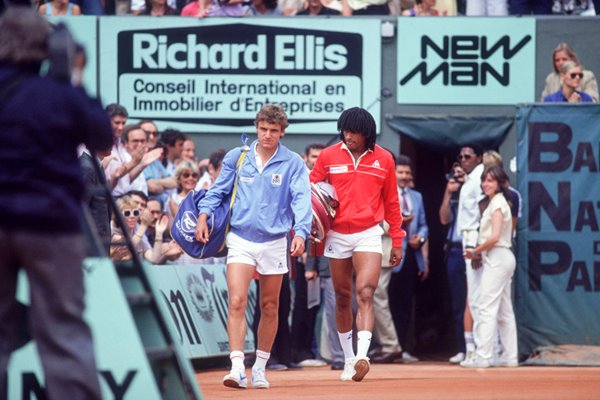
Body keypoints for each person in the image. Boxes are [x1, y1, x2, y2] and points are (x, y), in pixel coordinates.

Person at [0, 7, 112, 399]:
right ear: (47, 48)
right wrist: (72, 75)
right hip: (50, 224)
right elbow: (102, 134)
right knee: (63, 329)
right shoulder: (60, 94)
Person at [195, 104, 311, 390]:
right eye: (263, 129)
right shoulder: (237, 156)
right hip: (240, 239)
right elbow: (218, 190)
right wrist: (203, 214)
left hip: (274, 241)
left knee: (270, 306)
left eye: (273, 130)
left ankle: (260, 367)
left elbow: (301, 199)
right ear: (256, 127)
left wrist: (302, 232)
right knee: (237, 301)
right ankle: (236, 367)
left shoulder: (293, 162)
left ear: (282, 132)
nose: (268, 135)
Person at [309, 107, 404, 382]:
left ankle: (362, 356)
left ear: (367, 133)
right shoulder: (328, 156)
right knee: (342, 299)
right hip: (336, 234)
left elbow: (392, 202)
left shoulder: (384, 159)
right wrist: (310, 229)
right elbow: (311, 192)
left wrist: (396, 239)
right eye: (345, 130)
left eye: (353, 131)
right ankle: (348, 359)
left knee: (365, 292)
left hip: (368, 233)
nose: (348, 135)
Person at [462, 165, 518, 368]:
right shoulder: (498, 202)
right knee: (504, 310)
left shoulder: (497, 204)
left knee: (486, 307)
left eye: (491, 180)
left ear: (500, 183)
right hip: (501, 257)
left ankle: (484, 356)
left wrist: (476, 250)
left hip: (498, 257)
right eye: (484, 180)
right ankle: (510, 357)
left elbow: (494, 237)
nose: (486, 184)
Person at [387, 155, 429, 364]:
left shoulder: (417, 197)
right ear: (393, 173)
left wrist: (419, 238)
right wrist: (399, 222)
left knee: (405, 304)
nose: (404, 176)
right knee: (386, 302)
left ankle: (402, 349)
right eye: (400, 172)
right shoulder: (385, 193)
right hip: (389, 255)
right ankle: (386, 348)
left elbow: (424, 225)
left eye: (407, 173)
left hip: (411, 256)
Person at [455, 144, 484, 366]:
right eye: (461, 157)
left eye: (468, 156)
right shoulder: (469, 178)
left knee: (476, 295)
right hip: (467, 238)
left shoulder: (480, 175)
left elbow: (483, 212)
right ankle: (473, 347)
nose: (463, 160)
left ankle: (478, 349)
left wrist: (477, 247)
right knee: (472, 294)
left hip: (474, 238)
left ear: (479, 158)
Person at [439, 162, 468, 364]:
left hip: (473, 249)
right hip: (455, 249)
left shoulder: (475, 190)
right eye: (454, 174)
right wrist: (448, 193)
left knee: (474, 301)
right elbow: (443, 219)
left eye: (461, 174)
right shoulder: (453, 193)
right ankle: (462, 348)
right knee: (458, 302)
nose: (457, 178)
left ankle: (477, 346)